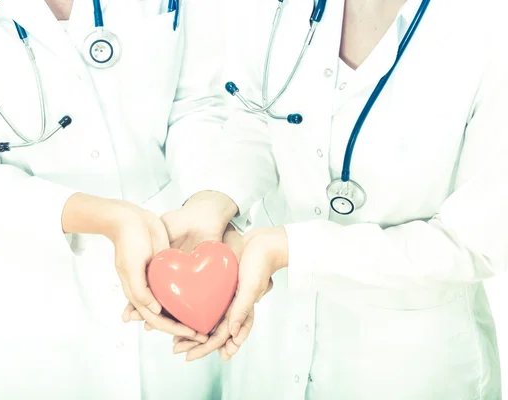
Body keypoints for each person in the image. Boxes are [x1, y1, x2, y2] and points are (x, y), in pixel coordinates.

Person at [166, 0, 508, 398]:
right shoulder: (275, 8)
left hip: (408, 368)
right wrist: (216, 199)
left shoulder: (489, 27)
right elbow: (259, 119)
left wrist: (294, 248)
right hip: (268, 354)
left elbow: (473, 243)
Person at [0, 0, 241, 398]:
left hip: (172, 274)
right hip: (23, 297)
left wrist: (206, 200)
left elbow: (196, 105)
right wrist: (106, 218)